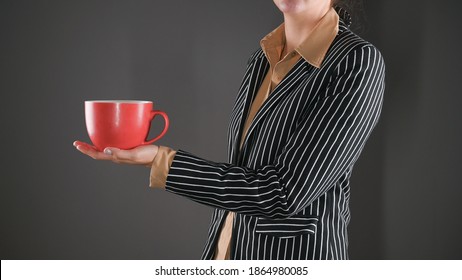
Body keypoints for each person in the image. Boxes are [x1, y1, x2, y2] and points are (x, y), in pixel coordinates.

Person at [74, 0, 385, 260]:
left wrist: (162, 161)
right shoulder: (260, 60)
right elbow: (243, 173)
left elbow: (284, 193)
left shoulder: (356, 61)